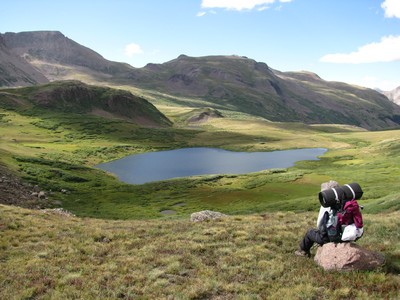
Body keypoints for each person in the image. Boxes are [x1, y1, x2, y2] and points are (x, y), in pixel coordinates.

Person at [295, 186, 364, 258]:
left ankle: (303, 251)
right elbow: (359, 223)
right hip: (347, 237)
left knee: (310, 233)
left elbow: (321, 225)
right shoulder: (351, 206)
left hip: (330, 238)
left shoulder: (329, 207)